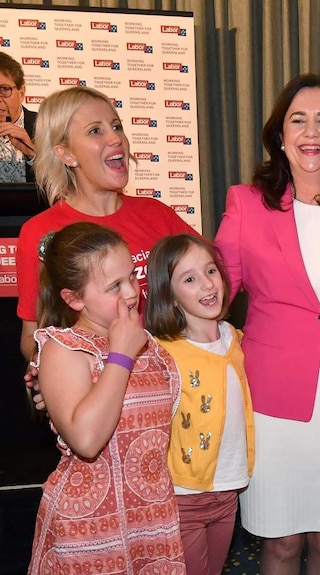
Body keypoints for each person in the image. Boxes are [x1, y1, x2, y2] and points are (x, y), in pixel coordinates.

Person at [214, 73, 320, 575]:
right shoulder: (246, 203)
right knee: (281, 543)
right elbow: (212, 294)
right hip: (272, 405)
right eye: (298, 120)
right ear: (280, 135)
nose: (311, 132)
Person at [28, 222, 185, 574]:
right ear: (73, 298)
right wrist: (121, 357)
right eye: (114, 286)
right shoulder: (64, 348)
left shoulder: (143, 340)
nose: (131, 293)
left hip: (151, 522)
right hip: (89, 531)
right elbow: (86, 440)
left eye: (131, 276)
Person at [17, 85, 195, 363]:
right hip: (101, 392)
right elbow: (32, 336)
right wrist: (49, 377)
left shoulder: (157, 214)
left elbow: (213, 284)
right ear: (66, 154)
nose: (116, 138)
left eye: (116, 126)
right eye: (95, 131)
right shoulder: (39, 232)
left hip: (175, 385)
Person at [146, 233, 255, 575]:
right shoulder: (161, 352)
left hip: (228, 489)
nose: (207, 285)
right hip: (183, 493)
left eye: (210, 271)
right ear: (171, 296)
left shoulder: (236, 340)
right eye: (189, 279)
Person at [0, 51, 37, 183]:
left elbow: (70, 183)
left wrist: (33, 155)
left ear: (21, 93)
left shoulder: (47, 127)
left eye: (4, 89)